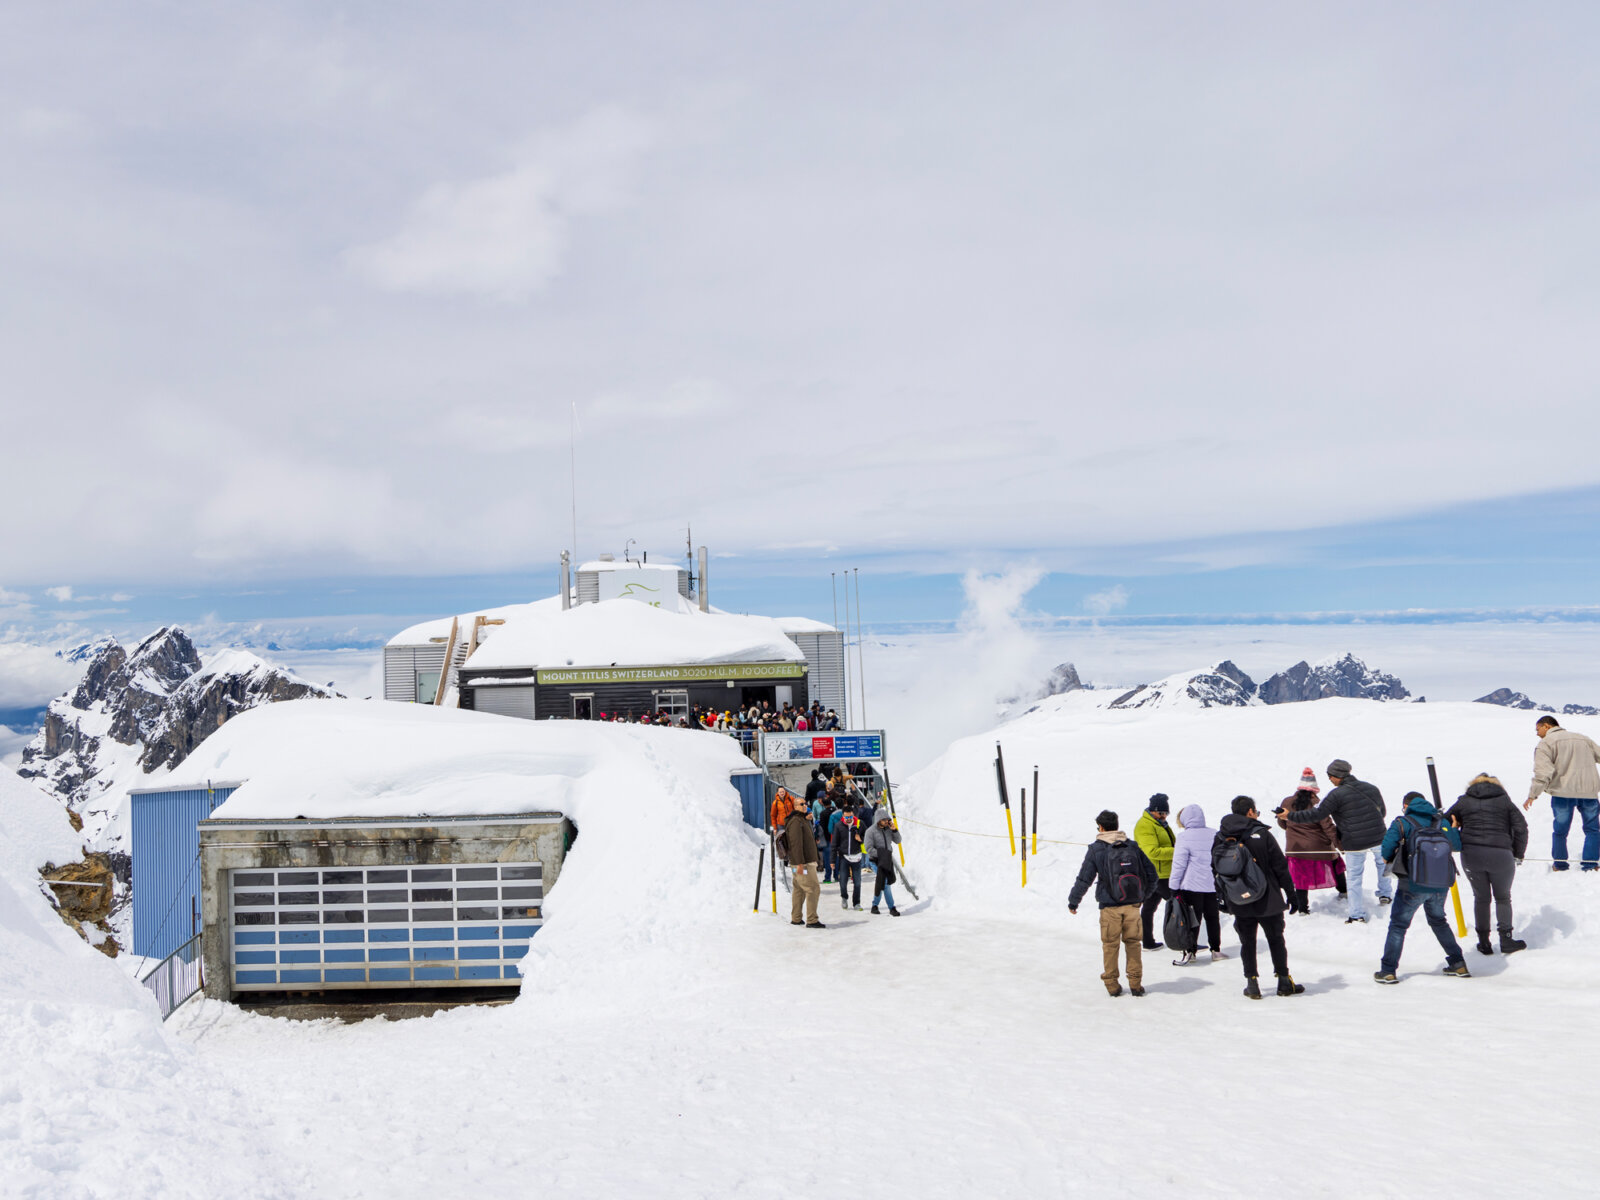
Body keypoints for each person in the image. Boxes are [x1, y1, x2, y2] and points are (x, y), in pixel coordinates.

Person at [1213, 796, 1303, 999]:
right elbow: (1280, 866)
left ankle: (1252, 984)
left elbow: (1216, 869)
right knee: (1276, 939)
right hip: (1267, 897)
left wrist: (1224, 896)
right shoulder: (1261, 834)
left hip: (1239, 898)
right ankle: (1283, 982)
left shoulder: (1221, 837)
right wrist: (1291, 894)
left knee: (1247, 942)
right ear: (1251, 812)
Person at [1374, 791, 1468, 983]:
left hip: (1412, 884)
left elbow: (1385, 853)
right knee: (1439, 921)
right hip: (1440, 884)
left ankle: (1388, 970)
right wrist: (1454, 828)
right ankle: (1458, 963)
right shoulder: (1441, 822)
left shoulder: (1402, 822)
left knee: (1399, 925)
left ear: (1406, 806)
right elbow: (1456, 846)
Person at [1281, 759, 1390, 923]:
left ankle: (1356, 914)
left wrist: (1289, 816)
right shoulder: (1371, 788)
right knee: (1382, 865)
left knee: (1354, 878)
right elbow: (1382, 812)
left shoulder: (1336, 795)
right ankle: (1385, 895)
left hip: (1355, 842)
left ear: (1338, 776)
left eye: (1330, 776)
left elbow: (1316, 815)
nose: (1330, 780)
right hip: (1379, 836)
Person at [1068, 810, 1157, 997]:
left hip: (1109, 907)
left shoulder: (1096, 849)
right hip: (1133, 906)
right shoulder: (1132, 846)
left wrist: (1073, 902)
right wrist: (1142, 897)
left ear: (1100, 827)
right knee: (1133, 943)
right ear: (1116, 825)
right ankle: (1135, 984)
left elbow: (1084, 879)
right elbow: (1152, 875)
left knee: (1110, 945)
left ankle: (1112, 985)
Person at [1447, 773, 1529, 954]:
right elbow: (1521, 827)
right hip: (1501, 855)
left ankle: (1483, 942)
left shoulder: (1464, 801)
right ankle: (1506, 940)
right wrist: (1518, 854)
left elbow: (1444, 822)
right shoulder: (1504, 801)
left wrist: (1457, 828)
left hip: (1471, 855)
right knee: (1503, 897)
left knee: (1481, 898)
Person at [1523, 715, 1600, 871]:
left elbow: (1543, 773)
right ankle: (1590, 865)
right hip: (1589, 793)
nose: (1537, 733)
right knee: (1592, 830)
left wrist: (1533, 795)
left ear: (1547, 726)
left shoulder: (1545, 744)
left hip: (1562, 793)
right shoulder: (1582, 739)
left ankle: (1560, 864)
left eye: (1538, 729)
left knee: (1560, 831)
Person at [1275, 768, 1345, 914]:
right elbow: (1328, 827)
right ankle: (1343, 891)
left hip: (1295, 848)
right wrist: (1340, 846)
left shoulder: (1287, 802)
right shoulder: (1317, 804)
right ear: (1313, 791)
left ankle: (1302, 908)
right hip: (1319, 847)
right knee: (1335, 864)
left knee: (1300, 877)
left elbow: (1282, 824)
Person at [1166, 803, 1226, 964]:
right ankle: (1216, 950)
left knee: (1193, 919)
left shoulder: (1184, 837)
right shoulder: (1215, 834)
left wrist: (1173, 886)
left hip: (1191, 886)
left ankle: (1190, 952)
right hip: (1212, 885)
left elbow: (1179, 864)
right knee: (1213, 917)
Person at [1135, 794, 1176, 950]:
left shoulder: (1160, 824)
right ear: (1152, 811)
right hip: (1158, 874)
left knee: (1149, 907)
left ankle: (1147, 941)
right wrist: (1177, 851)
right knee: (1178, 905)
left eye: (1166, 813)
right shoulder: (1145, 825)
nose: (1164, 816)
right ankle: (1182, 938)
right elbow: (1152, 851)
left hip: (1161, 872)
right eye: (1161, 813)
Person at [785, 797, 825, 929]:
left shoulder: (801, 819)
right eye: (801, 804)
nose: (805, 806)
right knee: (813, 888)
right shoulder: (795, 821)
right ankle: (812, 920)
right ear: (795, 806)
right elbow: (796, 845)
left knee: (799, 889)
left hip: (801, 863)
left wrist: (808, 819)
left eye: (805, 803)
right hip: (802, 863)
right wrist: (800, 864)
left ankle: (796, 918)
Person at [865, 806, 903, 915]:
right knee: (885, 883)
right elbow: (869, 849)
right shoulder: (870, 831)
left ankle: (874, 905)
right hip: (876, 861)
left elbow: (898, 841)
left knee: (882, 882)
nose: (886, 821)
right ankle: (892, 908)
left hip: (887, 860)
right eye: (884, 820)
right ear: (878, 820)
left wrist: (894, 830)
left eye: (887, 819)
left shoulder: (889, 830)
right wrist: (882, 854)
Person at [832, 811, 865, 910]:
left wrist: (861, 839)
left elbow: (867, 837)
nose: (849, 818)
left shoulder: (859, 823)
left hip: (857, 857)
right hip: (844, 857)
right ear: (843, 816)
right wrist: (832, 861)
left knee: (857, 882)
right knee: (842, 880)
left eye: (850, 816)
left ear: (853, 815)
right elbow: (834, 844)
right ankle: (844, 897)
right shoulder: (838, 826)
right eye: (846, 817)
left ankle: (856, 903)